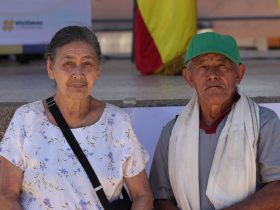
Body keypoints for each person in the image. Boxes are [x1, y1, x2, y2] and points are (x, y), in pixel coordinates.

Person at [0, 26, 153, 210]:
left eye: (87, 63)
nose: (78, 74)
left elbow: (142, 194)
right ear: (50, 67)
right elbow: (6, 195)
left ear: (98, 69)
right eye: (68, 63)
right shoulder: (26, 119)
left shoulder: (117, 122)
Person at [149, 32, 280, 210]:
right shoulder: (173, 132)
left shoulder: (264, 123)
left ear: (239, 74)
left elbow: (277, 190)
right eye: (202, 67)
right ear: (189, 78)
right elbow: (159, 198)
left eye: (222, 65)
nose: (212, 74)